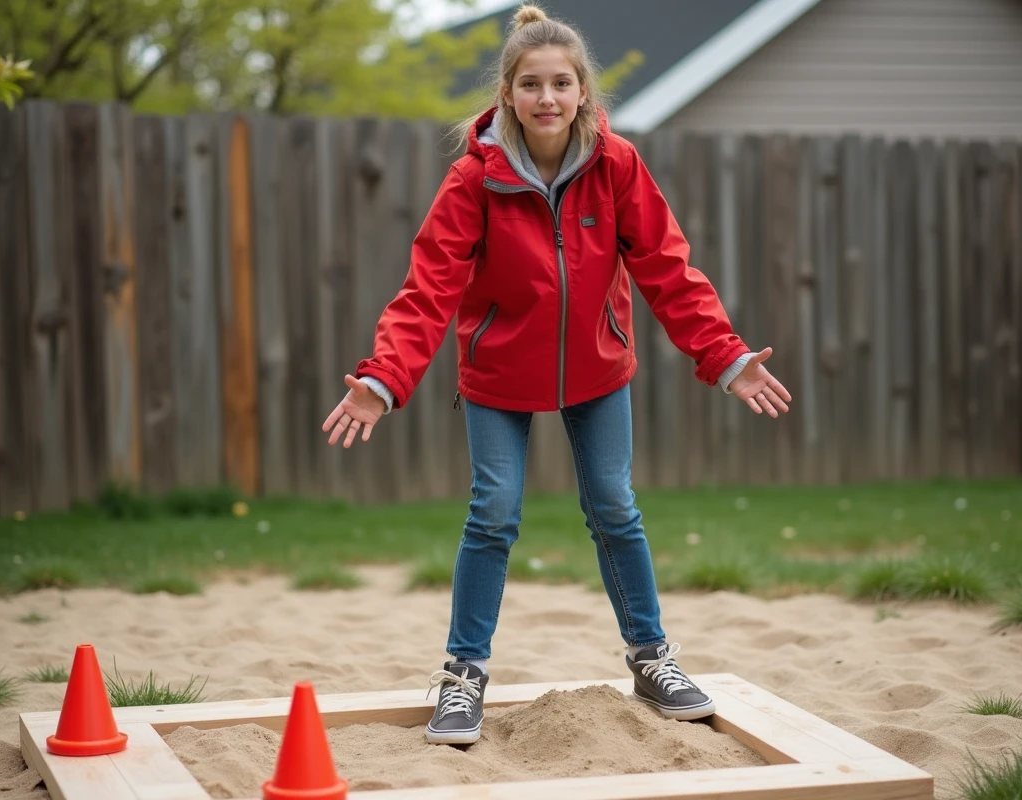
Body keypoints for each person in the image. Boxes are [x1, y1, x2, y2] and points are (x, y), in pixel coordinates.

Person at [321, 3, 791, 746]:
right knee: (494, 512)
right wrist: (381, 381)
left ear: (583, 94)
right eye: (532, 84)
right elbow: (429, 287)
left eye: (561, 84)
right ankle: (463, 675)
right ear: (507, 94)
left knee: (614, 506)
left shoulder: (617, 166)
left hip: (598, 370)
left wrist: (724, 356)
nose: (547, 98)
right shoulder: (474, 179)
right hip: (499, 374)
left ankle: (652, 658)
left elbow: (668, 269)